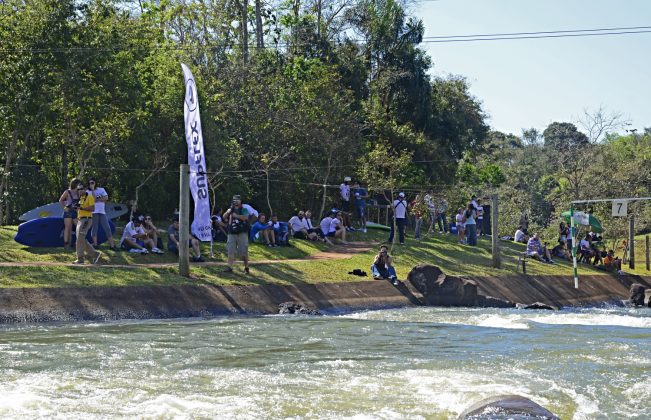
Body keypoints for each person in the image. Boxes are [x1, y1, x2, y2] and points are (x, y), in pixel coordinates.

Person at [72, 182, 102, 264]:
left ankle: (80, 259)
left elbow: (92, 208)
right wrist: (76, 207)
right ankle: (95, 254)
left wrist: (81, 207)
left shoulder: (90, 197)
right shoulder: (81, 198)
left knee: (79, 239)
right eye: (78, 189)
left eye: (81, 189)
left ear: (85, 189)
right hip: (80, 219)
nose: (79, 191)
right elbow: (80, 209)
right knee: (81, 238)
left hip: (86, 219)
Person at [224, 195, 250, 273]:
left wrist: (236, 216)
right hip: (231, 232)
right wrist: (228, 212)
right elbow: (224, 217)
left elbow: (245, 217)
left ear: (240, 201)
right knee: (230, 250)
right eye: (234, 200)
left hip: (242, 233)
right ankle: (229, 267)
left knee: (243, 252)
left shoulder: (244, 209)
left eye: (237, 200)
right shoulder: (230, 209)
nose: (236, 201)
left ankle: (246, 268)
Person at [88, 178, 116, 250]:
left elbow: (106, 198)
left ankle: (112, 246)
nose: (92, 183)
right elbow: (93, 200)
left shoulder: (101, 189)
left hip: (102, 212)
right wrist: (93, 190)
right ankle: (95, 244)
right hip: (93, 212)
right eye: (90, 182)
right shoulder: (88, 191)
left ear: (95, 182)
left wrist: (97, 199)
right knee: (95, 228)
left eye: (93, 182)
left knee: (107, 228)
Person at [59, 178, 82, 250]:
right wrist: (64, 207)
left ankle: (77, 243)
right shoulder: (67, 191)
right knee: (68, 228)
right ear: (75, 184)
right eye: (79, 184)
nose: (80, 185)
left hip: (76, 212)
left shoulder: (79, 192)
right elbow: (60, 200)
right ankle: (66, 244)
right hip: (68, 212)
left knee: (79, 227)